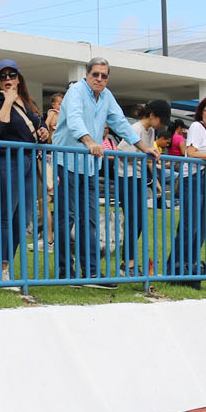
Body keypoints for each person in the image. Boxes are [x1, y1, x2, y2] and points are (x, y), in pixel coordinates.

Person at [49, 58, 159, 282]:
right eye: (96, 74)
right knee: (66, 218)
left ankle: (90, 271)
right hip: (67, 162)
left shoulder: (107, 96)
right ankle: (64, 270)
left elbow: (120, 123)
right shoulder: (76, 92)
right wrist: (90, 141)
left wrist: (144, 147)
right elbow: (75, 120)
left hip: (90, 166)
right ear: (87, 74)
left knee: (89, 219)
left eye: (104, 76)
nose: (99, 79)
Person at [0, 59, 49, 283]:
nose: (8, 79)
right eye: (3, 76)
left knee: (23, 219)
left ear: (19, 79)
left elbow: (38, 126)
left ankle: (4, 265)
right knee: (5, 217)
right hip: (5, 162)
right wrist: (8, 101)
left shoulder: (29, 103)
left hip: (28, 162)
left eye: (12, 75)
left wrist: (44, 131)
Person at [168, 95, 206, 290]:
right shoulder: (196, 127)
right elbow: (192, 152)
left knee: (202, 228)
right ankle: (177, 268)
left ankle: (190, 266)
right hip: (195, 178)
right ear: (201, 112)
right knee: (190, 226)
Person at [114, 98, 171, 276]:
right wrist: (140, 157)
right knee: (133, 219)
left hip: (138, 177)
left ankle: (129, 262)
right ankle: (128, 264)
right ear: (152, 115)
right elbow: (119, 153)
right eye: (161, 120)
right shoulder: (136, 129)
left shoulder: (150, 131)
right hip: (126, 177)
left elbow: (148, 157)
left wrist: (156, 182)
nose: (162, 125)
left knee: (139, 220)